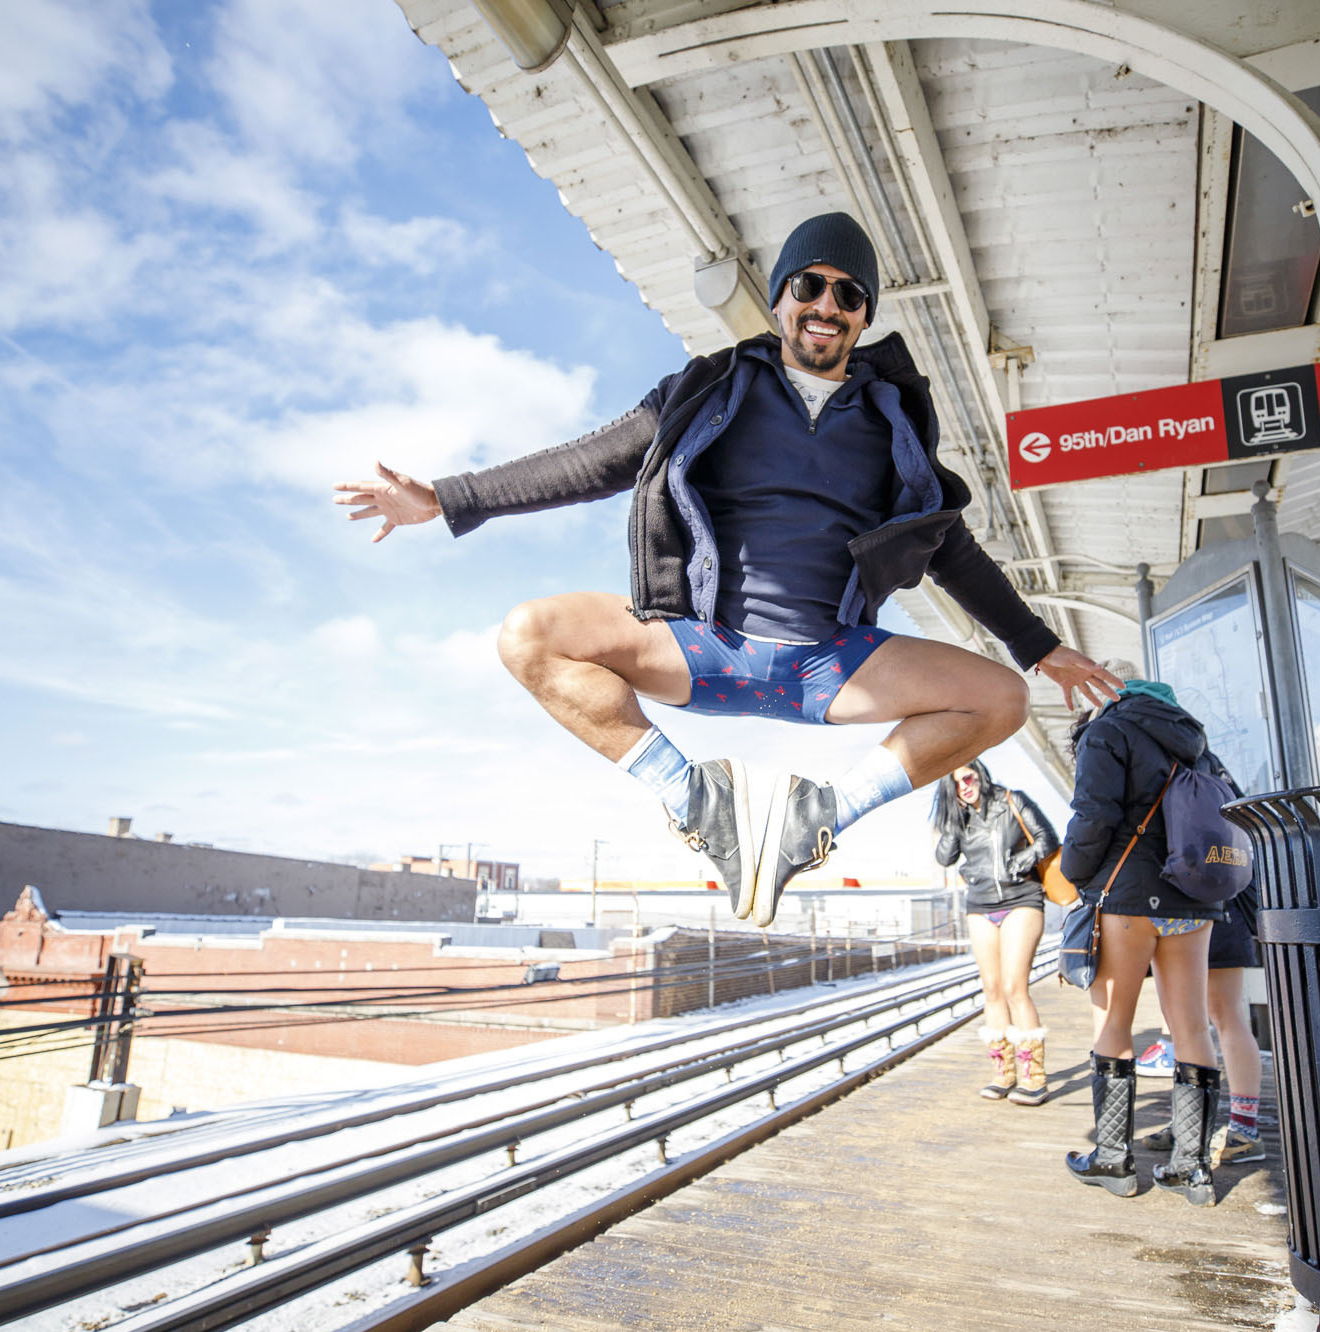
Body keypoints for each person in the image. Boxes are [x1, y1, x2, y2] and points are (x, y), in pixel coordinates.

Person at [335, 212, 1115, 927]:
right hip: (703, 644)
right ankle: (695, 800)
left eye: (848, 294)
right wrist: (445, 497)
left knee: (1001, 698)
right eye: (809, 285)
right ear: (780, 298)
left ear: (865, 316)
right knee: (528, 636)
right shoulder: (709, 389)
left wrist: (1039, 646)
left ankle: (819, 818)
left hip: (830, 664)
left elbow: (949, 544)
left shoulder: (890, 421)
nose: (826, 304)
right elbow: (590, 460)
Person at [1059, 662, 1236, 1205]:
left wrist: (1072, 873)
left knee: (1115, 1022)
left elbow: (1093, 815)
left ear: (1105, 689)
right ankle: (1192, 1169)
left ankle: (1112, 1159)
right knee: (1192, 1026)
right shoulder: (1195, 741)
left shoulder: (1107, 730)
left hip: (1128, 897)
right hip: (1192, 898)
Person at [932, 760, 1058, 1104]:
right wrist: (952, 822)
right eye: (955, 784)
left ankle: (1034, 1076)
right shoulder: (960, 817)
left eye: (968, 777)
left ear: (981, 774)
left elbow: (1049, 837)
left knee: (1014, 986)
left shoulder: (1012, 801)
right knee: (991, 989)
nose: (964, 786)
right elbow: (944, 858)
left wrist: (1022, 861)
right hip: (980, 905)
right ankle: (1003, 1073)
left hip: (1022, 898)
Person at [1139, 883, 1266, 1164]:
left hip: (1215, 902)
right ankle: (1188, 1123)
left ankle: (1245, 1128)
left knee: (1225, 1014)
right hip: (1172, 904)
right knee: (1179, 1020)